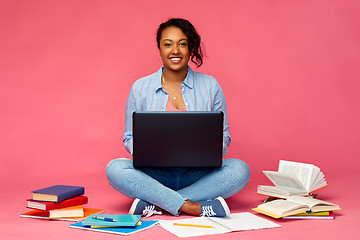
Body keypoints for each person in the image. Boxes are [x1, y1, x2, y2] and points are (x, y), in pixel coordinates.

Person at [106, 18, 250, 217]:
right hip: (154, 175)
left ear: (191, 48)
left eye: (182, 44)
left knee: (240, 169)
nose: (175, 50)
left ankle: (158, 203)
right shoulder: (140, 87)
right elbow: (129, 137)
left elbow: (224, 137)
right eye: (168, 44)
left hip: (199, 176)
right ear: (159, 49)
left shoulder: (210, 85)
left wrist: (210, 148)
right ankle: (192, 206)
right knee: (115, 168)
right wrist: (150, 152)